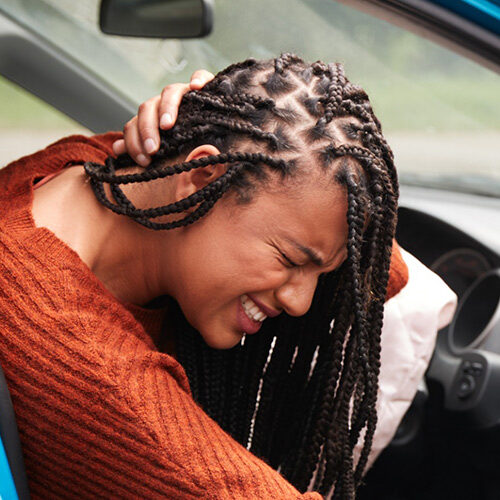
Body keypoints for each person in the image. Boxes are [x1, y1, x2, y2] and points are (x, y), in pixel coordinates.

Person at [0, 54, 409, 499]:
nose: (301, 302)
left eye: (318, 270)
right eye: (291, 260)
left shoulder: (90, 164)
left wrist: (218, 114)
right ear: (202, 175)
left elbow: (379, 268)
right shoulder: (85, 366)